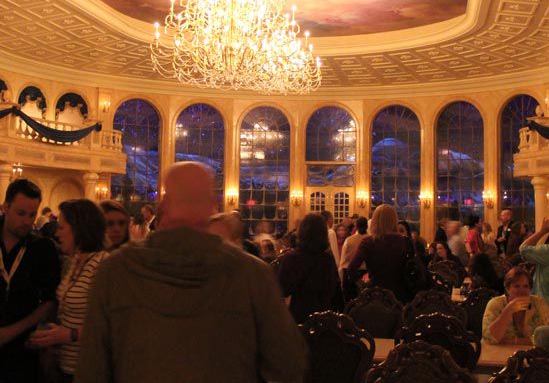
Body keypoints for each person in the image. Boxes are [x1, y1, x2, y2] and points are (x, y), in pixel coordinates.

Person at [74, 162, 306, 383]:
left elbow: (90, 369)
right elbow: (289, 364)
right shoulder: (252, 274)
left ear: (162, 206)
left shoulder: (115, 271)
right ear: (212, 207)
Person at [30, 198, 109, 381]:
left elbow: (112, 323)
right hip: (65, 368)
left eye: (62, 227)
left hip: (88, 370)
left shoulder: (103, 265)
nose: (57, 233)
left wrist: (69, 334)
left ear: (79, 229)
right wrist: (53, 333)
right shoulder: (74, 261)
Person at [0, 179, 61, 383]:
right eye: (21, 213)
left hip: (23, 352)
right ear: (5, 207)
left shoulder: (43, 249)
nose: (27, 221)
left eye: (32, 214)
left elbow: (51, 301)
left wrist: (10, 332)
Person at [277, 214, 341, 324]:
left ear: (301, 233)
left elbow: (283, 290)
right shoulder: (328, 259)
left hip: (300, 318)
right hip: (325, 320)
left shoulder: (292, 258)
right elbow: (336, 293)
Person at [348, 204, 415, 302]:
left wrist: (363, 285)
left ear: (374, 221)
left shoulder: (368, 242)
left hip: (375, 293)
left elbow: (351, 269)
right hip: (400, 292)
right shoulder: (406, 241)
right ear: (394, 221)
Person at [482, 266, 549, 345]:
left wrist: (512, 341)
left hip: (533, 355)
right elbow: (489, 338)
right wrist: (508, 310)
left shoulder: (538, 303)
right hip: (500, 353)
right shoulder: (496, 304)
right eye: (516, 286)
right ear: (507, 288)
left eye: (526, 286)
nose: (521, 290)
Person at [339, 216, 368, 289]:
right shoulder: (371, 240)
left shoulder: (349, 240)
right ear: (367, 226)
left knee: (350, 299)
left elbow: (343, 260)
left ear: (356, 226)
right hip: (366, 274)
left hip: (349, 273)